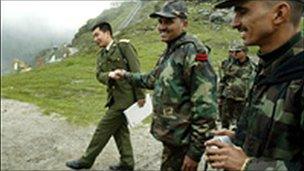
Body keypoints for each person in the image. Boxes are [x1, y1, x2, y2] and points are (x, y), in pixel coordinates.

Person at [111, 1, 218, 170]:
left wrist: (194, 153)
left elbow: (206, 107)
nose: (161, 27)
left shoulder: (193, 52)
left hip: (183, 145)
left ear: (184, 23)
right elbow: (153, 79)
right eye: (160, 22)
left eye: (168, 21)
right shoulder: (172, 50)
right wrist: (125, 75)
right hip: (172, 139)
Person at [205, 0, 304, 170]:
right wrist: (242, 136)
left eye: (242, 11)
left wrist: (246, 166)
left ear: (279, 14)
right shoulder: (271, 66)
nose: (234, 23)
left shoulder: (296, 71)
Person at [65, 21, 145, 171]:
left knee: (103, 128)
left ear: (107, 33)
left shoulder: (124, 47)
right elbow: (98, 75)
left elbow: (136, 72)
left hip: (126, 99)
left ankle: (87, 160)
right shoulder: (100, 55)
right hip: (113, 99)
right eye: (93, 36)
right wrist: (110, 75)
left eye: (97, 35)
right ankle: (127, 163)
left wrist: (141, 95)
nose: (95, 39)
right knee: (120, 131)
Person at [218, 43, 256, 129]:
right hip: (229, 95)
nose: (235, 54)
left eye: (238, 51)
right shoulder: (229, 64)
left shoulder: (252, 66)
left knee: (241, 120)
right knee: (225, 119)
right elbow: (223, 80)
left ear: (245, 52)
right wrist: (220, 95)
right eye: (234, 52)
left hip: (242, 97)